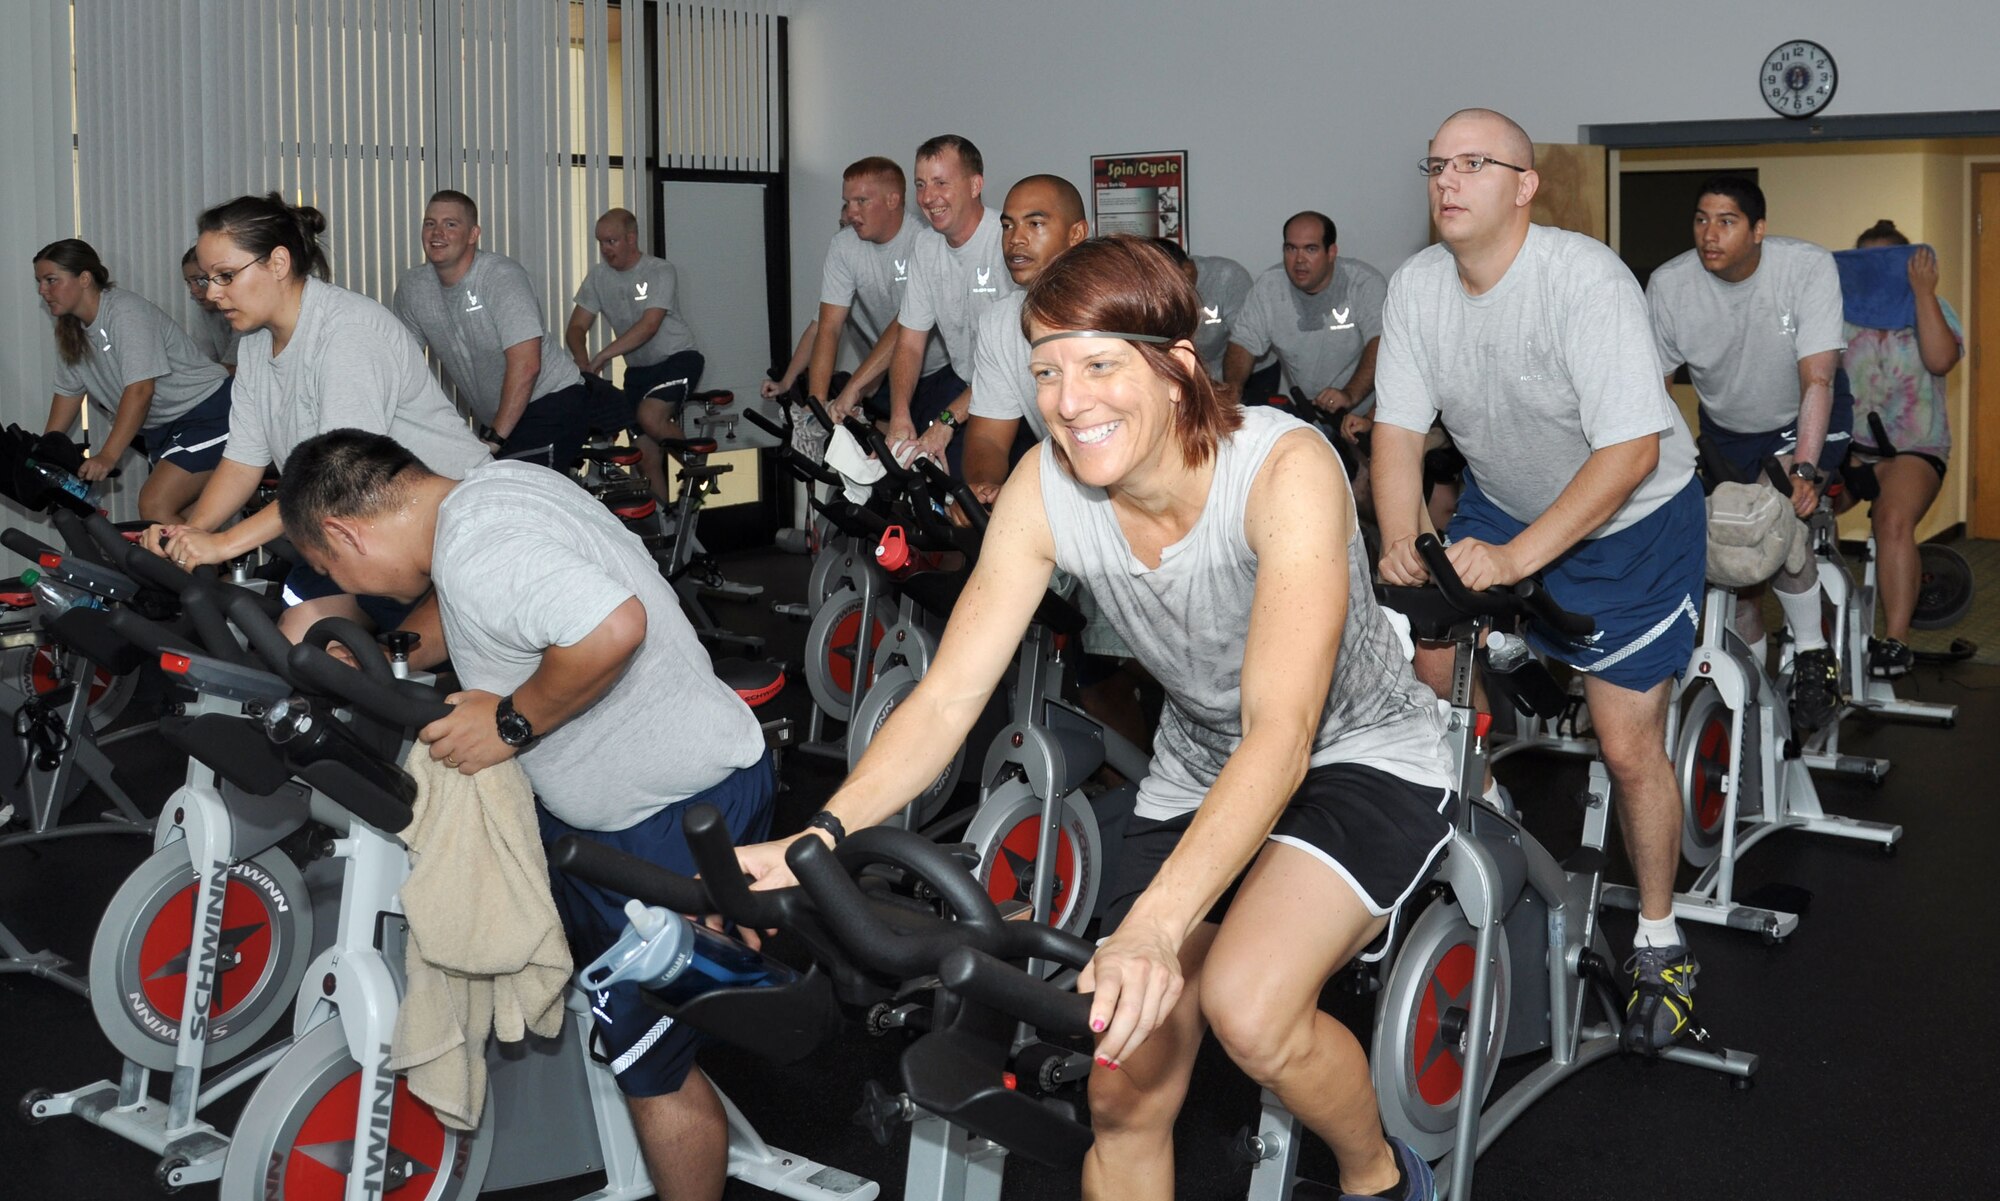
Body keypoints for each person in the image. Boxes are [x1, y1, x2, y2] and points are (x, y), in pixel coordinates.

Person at [738, 236, 1454, 1201]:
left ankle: (1380, 1176)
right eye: (1047, 370)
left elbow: (1283, 735)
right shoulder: (1047, 489)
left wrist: (1156, 925)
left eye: (1101, 364)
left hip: (1356, 751)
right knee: (1120, 1092)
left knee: (1248, 1004)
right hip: (1201, 760)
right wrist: (820, 835)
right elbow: (948, 696)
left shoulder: (1283, 470)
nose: (1069, 400)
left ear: (1178, 369)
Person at [274, 427, 770, 1201]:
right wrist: (394, 649)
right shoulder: (481, 497)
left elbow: (613, 627)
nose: (346, 581)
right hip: (618, 809)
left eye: (332, 567)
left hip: (676, 811)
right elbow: (467, 608)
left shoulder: (481, 547)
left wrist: (510, 722)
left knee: (652, 1065)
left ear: (343, 531)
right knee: (619, 1021)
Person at [1373, 109, 1707, 1056]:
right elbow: (1398, 429)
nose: (1449, 179)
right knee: (1427, 677)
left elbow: (1633, 450)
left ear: (1524, 186)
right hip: (1505, 504)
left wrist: (1518, 563)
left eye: (1475, 164)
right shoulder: (1419, 285)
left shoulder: (1581, 277)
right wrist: (1404, 535)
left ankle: (1657, 935)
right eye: (1437, 163)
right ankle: (1497, 833)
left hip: (1633, 522)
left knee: (1625, 741)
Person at [146, 192, 489, 638]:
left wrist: (225, 543)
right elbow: (243, 459)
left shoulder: (347, 333)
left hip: (456, 534)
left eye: (225, 276)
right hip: (371, 536)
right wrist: (189, 535)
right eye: (208, 279)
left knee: (314, 646)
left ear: (278, 263)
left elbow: (334, 480)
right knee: (293, 636)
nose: (212, 294)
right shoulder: (252, 345)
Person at [1646, 175, 1847, 728]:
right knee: (1731, 565)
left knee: (1765, 519)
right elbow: (1653, 389)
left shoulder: (1805, 269)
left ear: (1758, 230)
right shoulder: (1670, 285)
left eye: (1727, 221)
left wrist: (1804, 469)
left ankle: (1811, 654)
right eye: (1701, 220)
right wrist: (1675, 463)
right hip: (1727, 427)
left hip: (1803, 414)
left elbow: (1818, 382)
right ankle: (1750, 697)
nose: (1710, 234)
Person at [1837, 220, 1963, 678]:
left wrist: (1923, 292)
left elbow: (1941, 360)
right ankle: (1823, 629)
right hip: (1854, 448)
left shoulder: (1934, 309)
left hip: (1916, 448)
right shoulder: (1843, 317)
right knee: (1808, 514)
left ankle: (1896, 639)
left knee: (1891, 520)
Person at [34, 238, 234, 523]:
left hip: (209, 413)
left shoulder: (124, 312)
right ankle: (220, 569)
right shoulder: (72, 331)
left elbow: (140, 390)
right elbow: (68, 393)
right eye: (40, 281)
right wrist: (44, 453)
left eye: (51, 280)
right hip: (165, 428)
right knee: (185, 525)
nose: (43, 290)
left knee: (155, 505)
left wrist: (108, 456)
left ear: (85, 279)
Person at [391, 190, 589, 469]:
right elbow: (398, 365)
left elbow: (527, 365)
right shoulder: (414, 287)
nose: (437, 233)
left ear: (473, 234)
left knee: (513, 491)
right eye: (429, 223)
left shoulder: (500, 277)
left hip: (551, 401)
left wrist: (495, 438)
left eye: (450, 224)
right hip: (498, 417)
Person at [884, 135, 1014, 473]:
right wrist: (900, 416)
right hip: (966, 385)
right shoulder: (926, 247)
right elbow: (910, 343)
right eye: (921, 184)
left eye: (941, 183)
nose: (928, 198)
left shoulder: (1008, 242)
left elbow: (1006, 365)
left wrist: (946, 421)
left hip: (1015, 394)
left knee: (984, 497)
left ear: (975, 185)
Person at [961, 174, 1091, 503]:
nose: (1016, 239)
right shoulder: (999, 322)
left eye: (1034, 224)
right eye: (1007, 226)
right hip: (1068, 492)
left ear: (1076, 234)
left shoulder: (1118, 307)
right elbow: (988, 437)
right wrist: (984, 488)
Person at [566, 207, 703, 498]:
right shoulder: (598, 277)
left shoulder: (658, 270)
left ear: (631, 238)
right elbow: (576, 327)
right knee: (643, 454)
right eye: (600, 242)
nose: (605, 249)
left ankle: (699, 470)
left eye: (611, 241)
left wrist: (602, 356)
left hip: (677, 359)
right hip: (639, 371)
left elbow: (649, 326)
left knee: (651, 417)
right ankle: (666, 521)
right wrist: (582, 361)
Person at [805, 156, 949, 422]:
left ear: (892, 200)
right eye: (847, 202)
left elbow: (905, 324)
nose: (851, 213)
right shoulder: (842, 246)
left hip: (940, 372)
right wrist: (816, 405)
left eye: (861, 201)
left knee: (927, 456)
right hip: (887, 370)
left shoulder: (924, 242)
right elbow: (829, 327)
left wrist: (853, 387)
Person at [1225, 211, 1386, 443]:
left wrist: (1350, 395)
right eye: (1291, 249)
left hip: (1370, 410)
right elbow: (1243, 344)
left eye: (1310, 249)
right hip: (1312, 413)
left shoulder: (1363, 282)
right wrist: (1232, 393)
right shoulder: (1269, 287)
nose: (1299, 260)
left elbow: (1380, 343)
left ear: (1331, 252)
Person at [1150, 239, 1253, 385]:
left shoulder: (1227, 277)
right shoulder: (1150, 289)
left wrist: (1232, 391)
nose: (1160, 291)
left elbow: (1243, 340)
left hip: (1247, 368)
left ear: (1187, 271)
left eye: (1165, 282)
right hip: (1196, 374)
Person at [181, 245, 241, 369]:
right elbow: (203, 365)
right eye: (189, 282)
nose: (193, 290)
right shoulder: (203, 308)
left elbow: (234, 367)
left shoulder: (246, 308)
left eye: (199, 280)